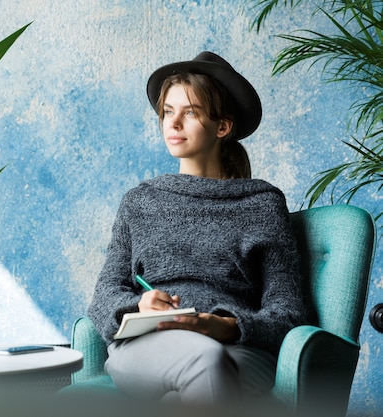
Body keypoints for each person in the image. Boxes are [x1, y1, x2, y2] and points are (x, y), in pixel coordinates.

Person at [87, 51, 308, 405]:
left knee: (199, 374)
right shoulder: (140, 202)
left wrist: (224, 324)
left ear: (223, 126)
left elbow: (287, 311)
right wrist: (140, 305)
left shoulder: (262, 203)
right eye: (167, 112)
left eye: (189, 112)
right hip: (147, 347)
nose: (173, 124)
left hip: (237, 348)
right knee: (203, 362)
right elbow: (104, 296)